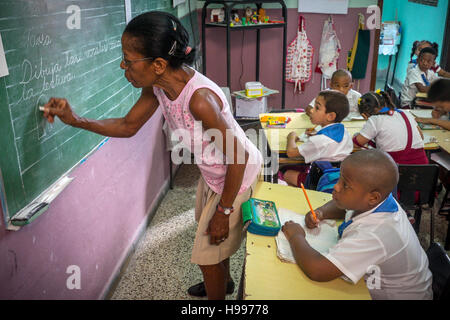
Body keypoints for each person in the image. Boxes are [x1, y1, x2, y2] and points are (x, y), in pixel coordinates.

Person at [42, 11, 262, 300]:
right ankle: (224, 282)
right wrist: (77, 120)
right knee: (211, 240)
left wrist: (224, 209)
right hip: (214, 175)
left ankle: (216, 291)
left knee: (208, 251)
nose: (123, 65)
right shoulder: (157, 86)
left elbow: (238, 157)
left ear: (158, 64)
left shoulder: (200, 101)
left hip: (237, 176)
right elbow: (128, 125)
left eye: (128, 60)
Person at [282, 149, 433, 300]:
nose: (336, 186)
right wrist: (321, 212)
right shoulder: (380, 200)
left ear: (373, 197)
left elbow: (317, 270)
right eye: (340, 178)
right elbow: (346, 205)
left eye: (345, 185)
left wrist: (296, 235)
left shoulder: (376, 233)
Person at [280, 90, 353, 188]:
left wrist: (291, 137)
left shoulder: (319, 140)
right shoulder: (345, 132)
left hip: (319, 180)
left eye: (317, 108)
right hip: (339, 177)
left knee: (284, 171)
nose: (311, 110)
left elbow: (291, 152)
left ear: (330, 116)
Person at [353, 90, 428, 165]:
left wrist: (357, 136)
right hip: (422, 168)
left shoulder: (375, 120)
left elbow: (356, 144)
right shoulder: (405, 113)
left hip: (395, 169)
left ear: (364, 115)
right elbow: (421, 136)